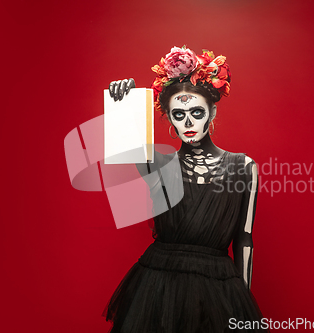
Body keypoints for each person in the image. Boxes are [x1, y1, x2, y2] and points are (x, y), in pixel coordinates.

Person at [103, 46, 267, 332]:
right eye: (178, 115)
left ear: (212, 111)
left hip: (216, 286)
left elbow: (244, 239)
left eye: (196, 112)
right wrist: (122, 101)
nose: (189, 123)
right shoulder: (157, 162)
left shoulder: (243, 165)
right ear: (167, 118)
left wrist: (242, 307)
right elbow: (121, 145)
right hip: (158, 285)